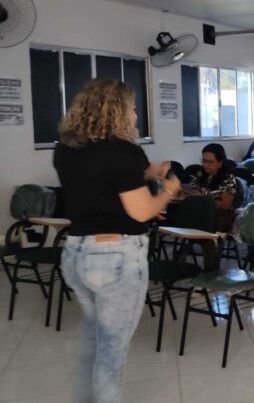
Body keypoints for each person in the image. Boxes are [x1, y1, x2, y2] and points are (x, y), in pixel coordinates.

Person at [53, 79, 181, 403]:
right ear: (119, 110)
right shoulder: (122, 150)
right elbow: (140, 212)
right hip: (115, 257)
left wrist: (153, 171)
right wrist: (168, 191)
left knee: (95, 342)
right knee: (111, 353)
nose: (136, 114)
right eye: (133, 107)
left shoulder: (66, 149)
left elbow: (108, 179)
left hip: (75, 252)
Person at [187, 143, 238, 231]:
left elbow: (225, 206)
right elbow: (191, 189)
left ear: (220, 163)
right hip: (199, 211)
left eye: (210, 162)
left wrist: (202, 199)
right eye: (203, 161)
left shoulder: (228, 178)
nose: (205, 165)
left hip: (219, 216)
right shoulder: (201, 174)